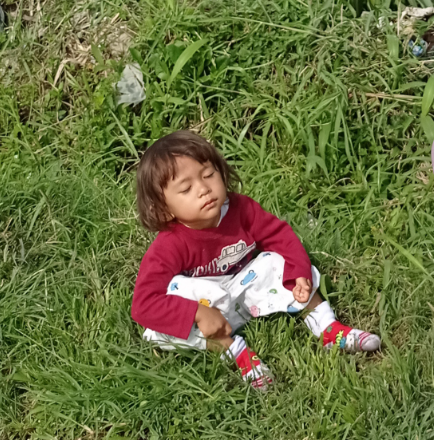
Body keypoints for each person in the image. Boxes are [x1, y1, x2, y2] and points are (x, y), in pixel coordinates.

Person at [131, 130, 380, 391]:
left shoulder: (240, 209)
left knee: (276, 261)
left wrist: (299, 274)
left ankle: (328, 328)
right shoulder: (168, 245)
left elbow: (279, 236)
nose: (204, 189)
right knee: (156, 328)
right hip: (209, 312)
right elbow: (143, 304)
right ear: (163, 208)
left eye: (208, 175)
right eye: (186, 188)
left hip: (247, 287)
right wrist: (197, 312)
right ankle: (235, 351)